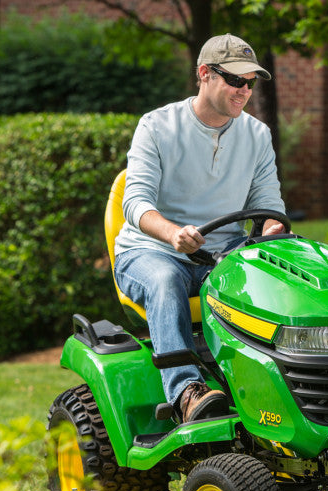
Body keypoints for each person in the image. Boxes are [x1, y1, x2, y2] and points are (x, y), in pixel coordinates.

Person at [114, 33, 286, 424]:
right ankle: (186, 392)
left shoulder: (257, 135)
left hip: (222, 255)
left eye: (250, 82)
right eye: (235, 80)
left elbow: (268, 206)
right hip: (150, 252)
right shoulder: (156, 126)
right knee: (163, 280)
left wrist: (272, 226)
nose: (244, 90)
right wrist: (173, 233)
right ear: (204, 74)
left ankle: (268, 386)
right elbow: (135, 202)